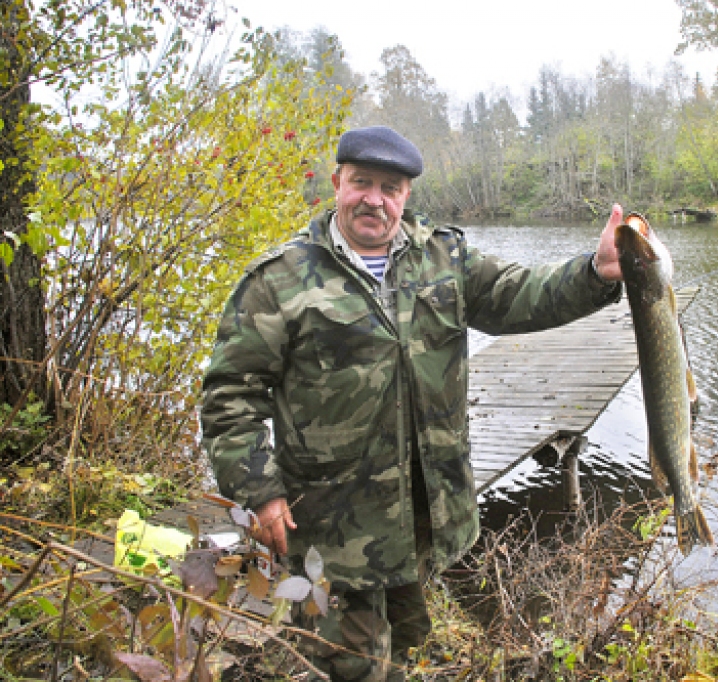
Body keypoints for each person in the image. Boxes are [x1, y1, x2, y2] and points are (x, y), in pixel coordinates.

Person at [201, 125, 626, 681]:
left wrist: (595, 273)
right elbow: (231, 395)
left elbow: (523, 295)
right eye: (361, 183)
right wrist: (260, 491)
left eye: (390, 187)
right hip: (329, 524)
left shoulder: (442, 258)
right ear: (336, 183)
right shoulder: (279, 281)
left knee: (399, 645)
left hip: (419, 515)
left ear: (405, 195)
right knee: (345, 663)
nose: (374, 199)